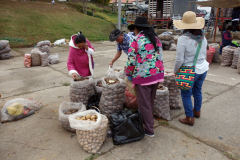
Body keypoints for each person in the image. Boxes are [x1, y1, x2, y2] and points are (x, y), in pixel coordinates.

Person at [125, 17, 164, 137]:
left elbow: (131, 61)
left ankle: (149, 129)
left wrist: (128, 74)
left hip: (144, 77)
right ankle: (148, 121)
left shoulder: (136, 40)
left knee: (144, 104)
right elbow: (160, 56)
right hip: (157, 74)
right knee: (149, 101)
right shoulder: (155, 39)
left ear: (136, 29)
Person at [173, 11, 209, 126]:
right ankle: (197, 111)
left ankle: (189, 117)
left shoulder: (183, 39)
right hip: (203, 68)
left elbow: (179, 60)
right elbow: (205, 53)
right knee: (197, 91)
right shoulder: (202, 37)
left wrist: (175, 71)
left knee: (186, 94)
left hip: (189, 70)